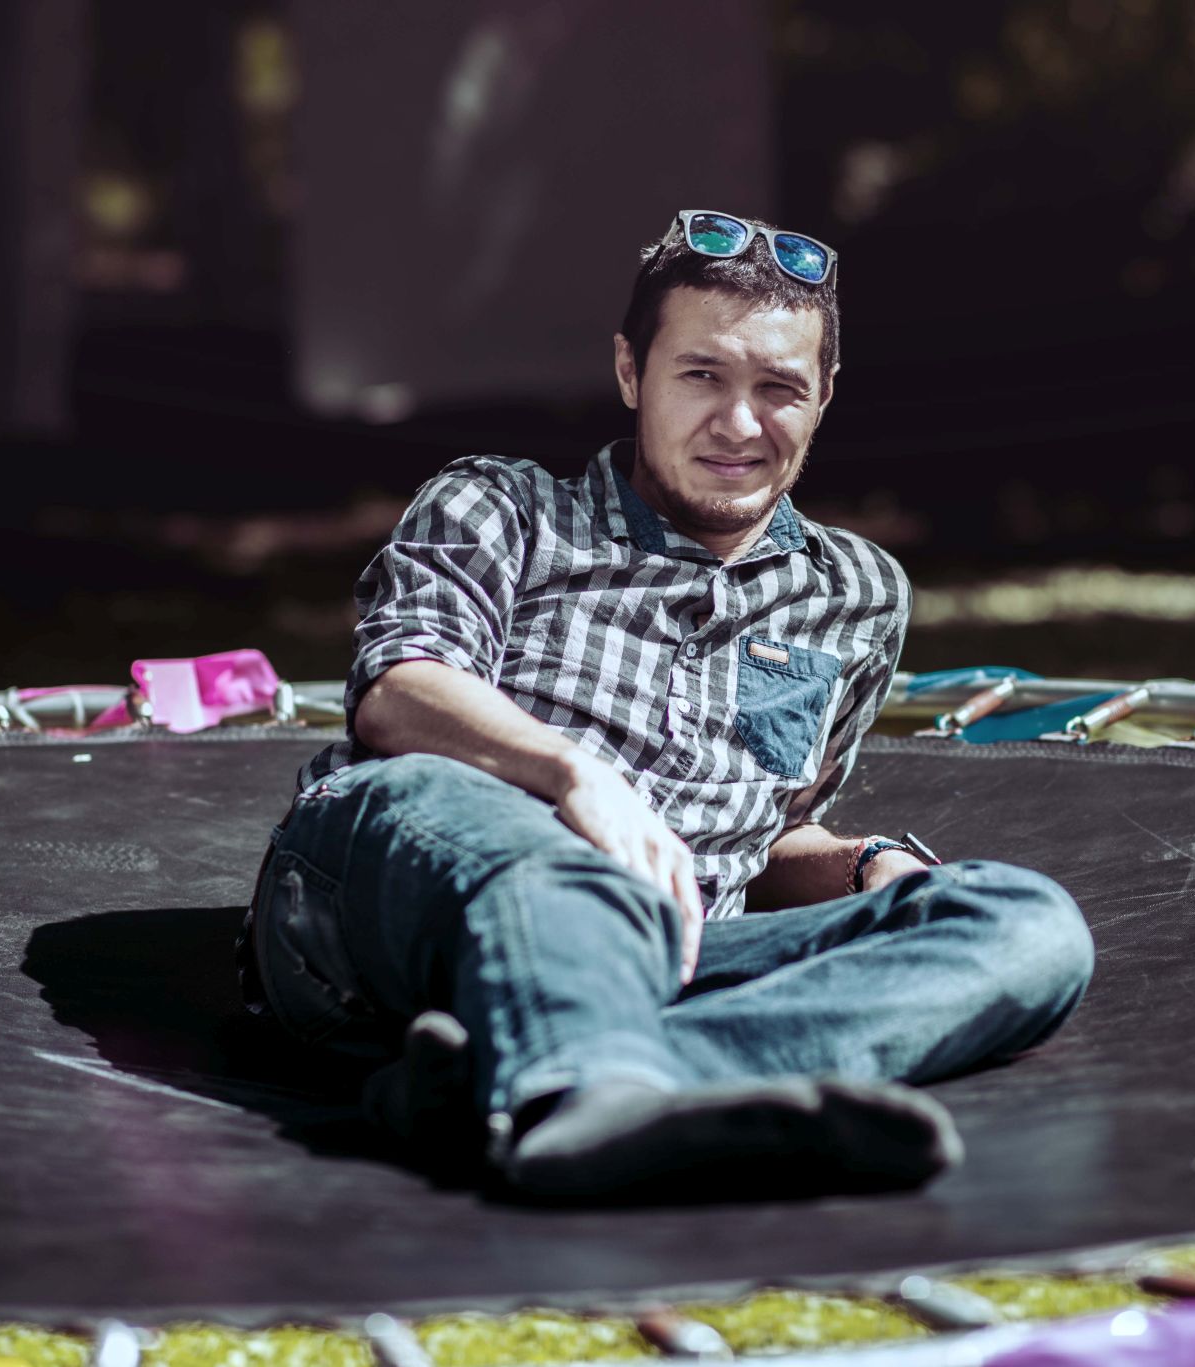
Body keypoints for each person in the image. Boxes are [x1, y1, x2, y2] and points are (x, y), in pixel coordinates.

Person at [241, 210, 1094, 1200]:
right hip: (392, 911)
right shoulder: (503, 507)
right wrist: (572, 776)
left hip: (667, 952)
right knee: (521, 836)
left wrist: (862, 865)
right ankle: (592, 1079)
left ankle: (552, 1085)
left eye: (778, 388)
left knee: (1027, 925)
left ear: (822, 396)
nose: (739, 423)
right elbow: (399, 689)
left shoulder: (858, 595)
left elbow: (764, 840)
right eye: (701, 376)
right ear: (629, 373)